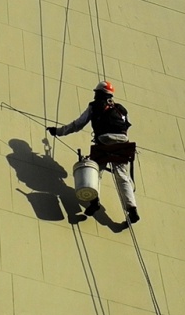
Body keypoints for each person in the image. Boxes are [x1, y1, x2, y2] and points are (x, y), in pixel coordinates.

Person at [47, 81, 139, 222]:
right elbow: (126, 126)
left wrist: (58, 131)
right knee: (122, 177)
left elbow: (78, 124)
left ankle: (94, 202)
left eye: (96, 92)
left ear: (100, 93)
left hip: (103, 142)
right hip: (122, 145)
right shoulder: (121, 109)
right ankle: (132, 208)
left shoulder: (95, 106)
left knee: (95, 172)